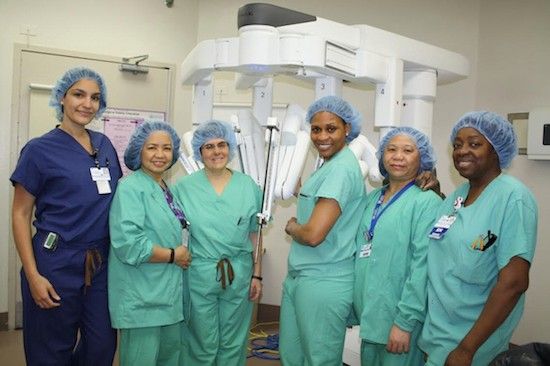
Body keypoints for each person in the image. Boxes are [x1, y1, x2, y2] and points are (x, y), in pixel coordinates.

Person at [10, 67, 121, 365]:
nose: (87, 104)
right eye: (78, 94)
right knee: (50, 350)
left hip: (99, 261)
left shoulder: (105, 146)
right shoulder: (38, 150)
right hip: (54, 260)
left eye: (95, 97)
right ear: (61, 98)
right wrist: (33, 275)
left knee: (101, 346)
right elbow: (20, 213)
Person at [419, 111, 538, 366]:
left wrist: (466, 349)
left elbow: (514, 283)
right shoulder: (457, 196)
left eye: (474, 144)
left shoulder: (513, 198)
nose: (462, 151)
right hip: (439, 335)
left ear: (496, 151)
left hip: (472, 344)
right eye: (458, 144)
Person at [279, 95, 366, 365]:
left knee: (319, 360)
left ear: (347, 129)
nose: (322, 136)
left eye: (331, 128)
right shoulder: (328, 167)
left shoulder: (341, 169)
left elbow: (314, 234)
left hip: (324, 280)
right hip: (303, 278)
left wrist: (293, 227)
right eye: (316, 129)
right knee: (293, 357)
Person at [172, 120, 262, 365]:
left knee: (233, 342)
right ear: (199, 151)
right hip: (200, 272)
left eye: (222, 144)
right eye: (209, 146)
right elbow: (177, 235)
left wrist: (257, 274)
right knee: (202, 341)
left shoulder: (248, 186)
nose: (216, 151)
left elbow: (255, 234)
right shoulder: (183, 188)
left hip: (240, 272)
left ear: (230, 147)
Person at [353, 127, 442, 366]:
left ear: (421, 158)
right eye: (391, 149)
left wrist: (404, 323)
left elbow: (422, 267)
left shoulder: (427, 202)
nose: (398, 156)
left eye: (407, 150)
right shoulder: (372, 199)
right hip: (371, 316)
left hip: (399, 322)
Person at [108, 121, 191, 366]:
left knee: (169, 359)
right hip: (142, 299)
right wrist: (174, 255)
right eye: (152, 147)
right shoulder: (131, 188)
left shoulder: (166, 188)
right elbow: (128, 244)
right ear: (138, 151)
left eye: (166, 148)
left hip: (168, 296)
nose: (160, 155)